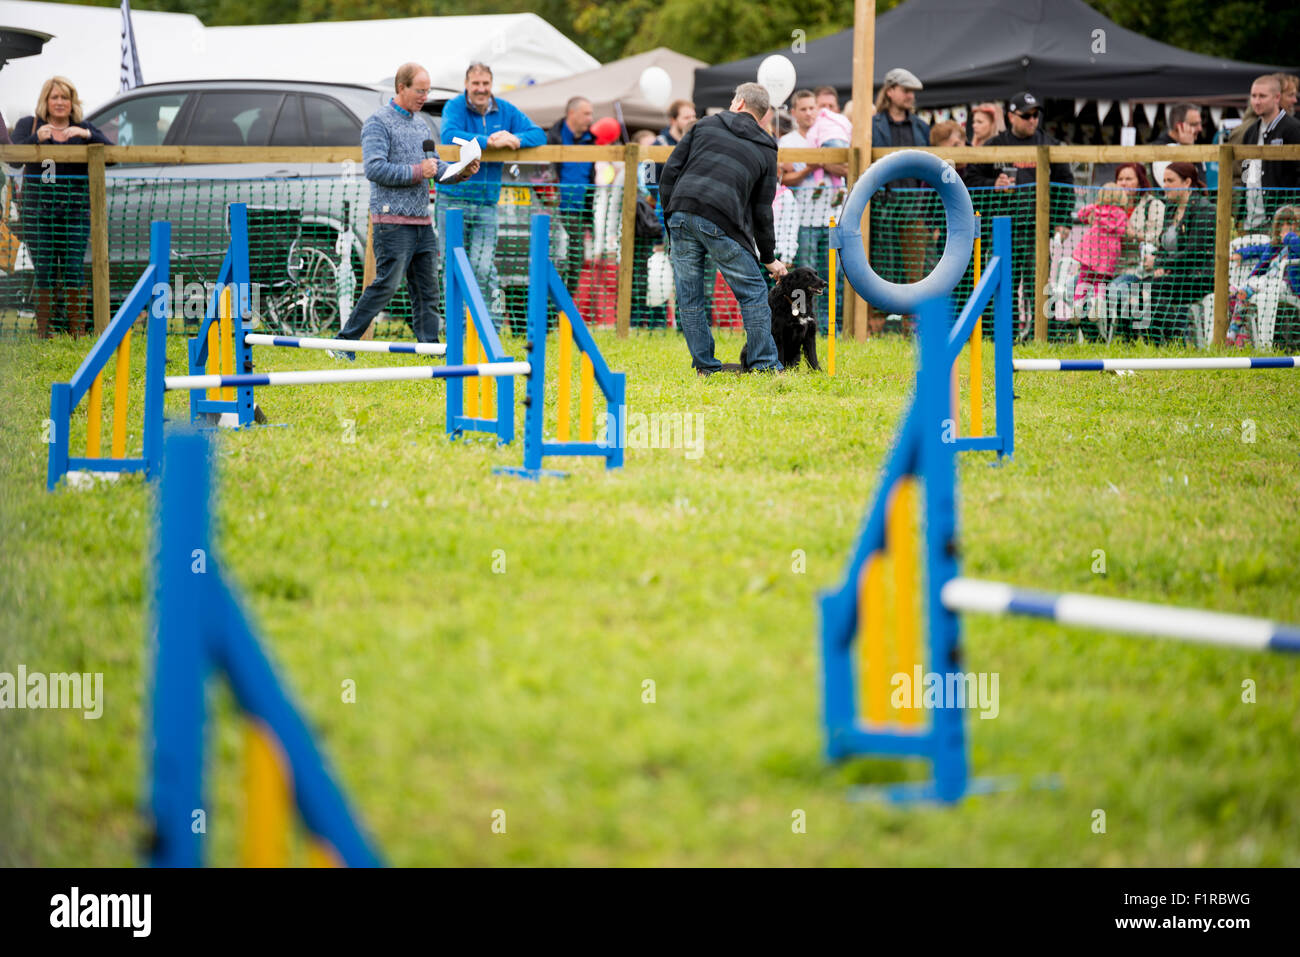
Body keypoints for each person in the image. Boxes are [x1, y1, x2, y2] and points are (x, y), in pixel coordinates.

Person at [330, 63, 480, 359]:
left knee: (428, 291)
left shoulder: (421, 124)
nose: (425, 96)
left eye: (427, 90)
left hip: (422, 222)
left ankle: (430, 349)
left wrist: (463, 171)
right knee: (386, 286)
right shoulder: (377, 122)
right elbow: (374, 169)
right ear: (401, 88)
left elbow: (435, 168)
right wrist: (416, 171)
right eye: (420, 90)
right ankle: (344, 342)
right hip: (391, 221)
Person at [659, 81, 787, 374]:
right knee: (753, 292)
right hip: (720, 218)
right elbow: (762, 209)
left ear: (739, 103)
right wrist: (768, 257)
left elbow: (670, 171)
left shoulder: (706, 125)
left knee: (689, 297)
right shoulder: (767, 147)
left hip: (681, 211)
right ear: (762, 114)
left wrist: (671, 214)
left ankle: (705, 366)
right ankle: (764, 364)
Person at [437, 61, 545, 325]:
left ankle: (490, 326)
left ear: (491, 85)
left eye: (485, 84)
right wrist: (491, 142)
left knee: (483, 267)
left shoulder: (505, 110)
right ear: (466, 85)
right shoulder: (454, 107)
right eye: (476, 84)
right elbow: (450, 135)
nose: (481, 89)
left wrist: (517, 140)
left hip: (487, 202)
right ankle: (456, 328)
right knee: (451, 267)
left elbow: (538, 134)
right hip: (453, 198)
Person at [11, 76, 111, 338]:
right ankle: (44, 330)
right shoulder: (29, 125)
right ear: (45, 101)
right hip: (38, 213)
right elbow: (11, 159)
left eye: (64, 97)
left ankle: (77, 329)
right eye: (54, 97)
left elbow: (111, 156)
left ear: (72, 102)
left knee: (73, 268)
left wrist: (87, 134)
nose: (59, 102)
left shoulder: (83, 128)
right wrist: (36, 138)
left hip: (75, 212)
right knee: (44, 268)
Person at [966, 91, 1073, 335]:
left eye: (1036, 115)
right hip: (1003, 227)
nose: (1032, 120)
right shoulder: (994, 146)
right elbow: (971, 178)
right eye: (1026, 115)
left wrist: (1063, 220)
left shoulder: (1049, 144)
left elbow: (1065, 183)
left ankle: (1040, 336)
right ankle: (1006, 336)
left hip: (1038, 226)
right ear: (1011, 116)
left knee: (1038, 285)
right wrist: (993, 184)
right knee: (1005, 286)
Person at [868, 68, 931, 334]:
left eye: (912, 93)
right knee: (880, 266)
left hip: (913, 205)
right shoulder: (873, 124)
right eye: (906, 91)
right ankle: (874, 323)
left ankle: (911, 325)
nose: (910, 96)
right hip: (882, 206)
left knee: (915, 269)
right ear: (890, 91)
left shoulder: (922, 127)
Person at [1147, 162, 1214, 344]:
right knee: (1139, 288)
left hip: (1199, 276)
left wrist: (1161, 264)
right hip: (1173, 274)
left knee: (1152, 289)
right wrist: (1161, 264)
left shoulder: (1204, 209)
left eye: (1170, 180)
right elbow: (1162, 247)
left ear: (1187, 183)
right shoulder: (1171, 208)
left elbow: (1195, 253)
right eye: (1164, 181)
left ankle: (1175, 342)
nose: (1165, 185)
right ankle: (1146, 343)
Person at [1104, 162, 1165, 340]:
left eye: (1129, 179)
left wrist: (1133, 234)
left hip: (1138, 271)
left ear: (1140, 182)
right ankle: (1096, 340)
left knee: (1116, 289)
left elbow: (1156, 238)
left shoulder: (1153, 206)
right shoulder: (1108, 206)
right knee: (1074, 285)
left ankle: (1126, 338)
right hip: (1106, 268)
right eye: (1120, 179)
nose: (1123, 183)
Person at [1230, 204, 1300, 350]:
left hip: (1287, 287)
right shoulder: (1275, 246)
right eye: (1282, 224)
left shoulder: (1294, 243)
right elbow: (1258, 249)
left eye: (1290, 224)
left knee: (1250, 288)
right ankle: (1235, 333)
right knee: (1248, 289)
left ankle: (1236, 330)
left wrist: (1289, 237)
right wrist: (1241, 253)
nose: (1285, 228)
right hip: (1268, 283)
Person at [546, 97, 596, 294]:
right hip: (554, 210)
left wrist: (588, 217)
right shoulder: (553, 138)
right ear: (572, 114)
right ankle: (550, 312)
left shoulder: (590, 141)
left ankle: (564, 311)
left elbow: (591, 177)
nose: (590, 119)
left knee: (576, 259)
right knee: (555, 260)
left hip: (578, 213)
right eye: (586, 114)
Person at [1237, 75, 1300, 230]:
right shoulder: (1250, 132)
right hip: (1250, 221)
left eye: (1262, 96)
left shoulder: (1293, 129)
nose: (1257, 101)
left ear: (1277, 97)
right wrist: (1240, 213)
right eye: (1253, 96)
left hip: (1281, 222)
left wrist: (1291, 211)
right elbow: (1245, 175)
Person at [1070, 182, 1129, 330]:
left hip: (1091, 247)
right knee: (1101, 279)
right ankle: (1098, 302)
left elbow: (1081, 214)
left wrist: (1092, 208)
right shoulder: (1121, 214)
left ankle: (1077, 304)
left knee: (1084, 277)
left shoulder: (1096, 210)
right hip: (1108, 250)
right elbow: (1122, 231)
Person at [1150, 102, 1204, 185]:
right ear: (1179, 126)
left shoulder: (1193, 144)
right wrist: (1187, 150)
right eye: (1194, 124)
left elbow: (1202, 183)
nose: (1200, 128)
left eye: (1200, 123)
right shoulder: (1160, 148)